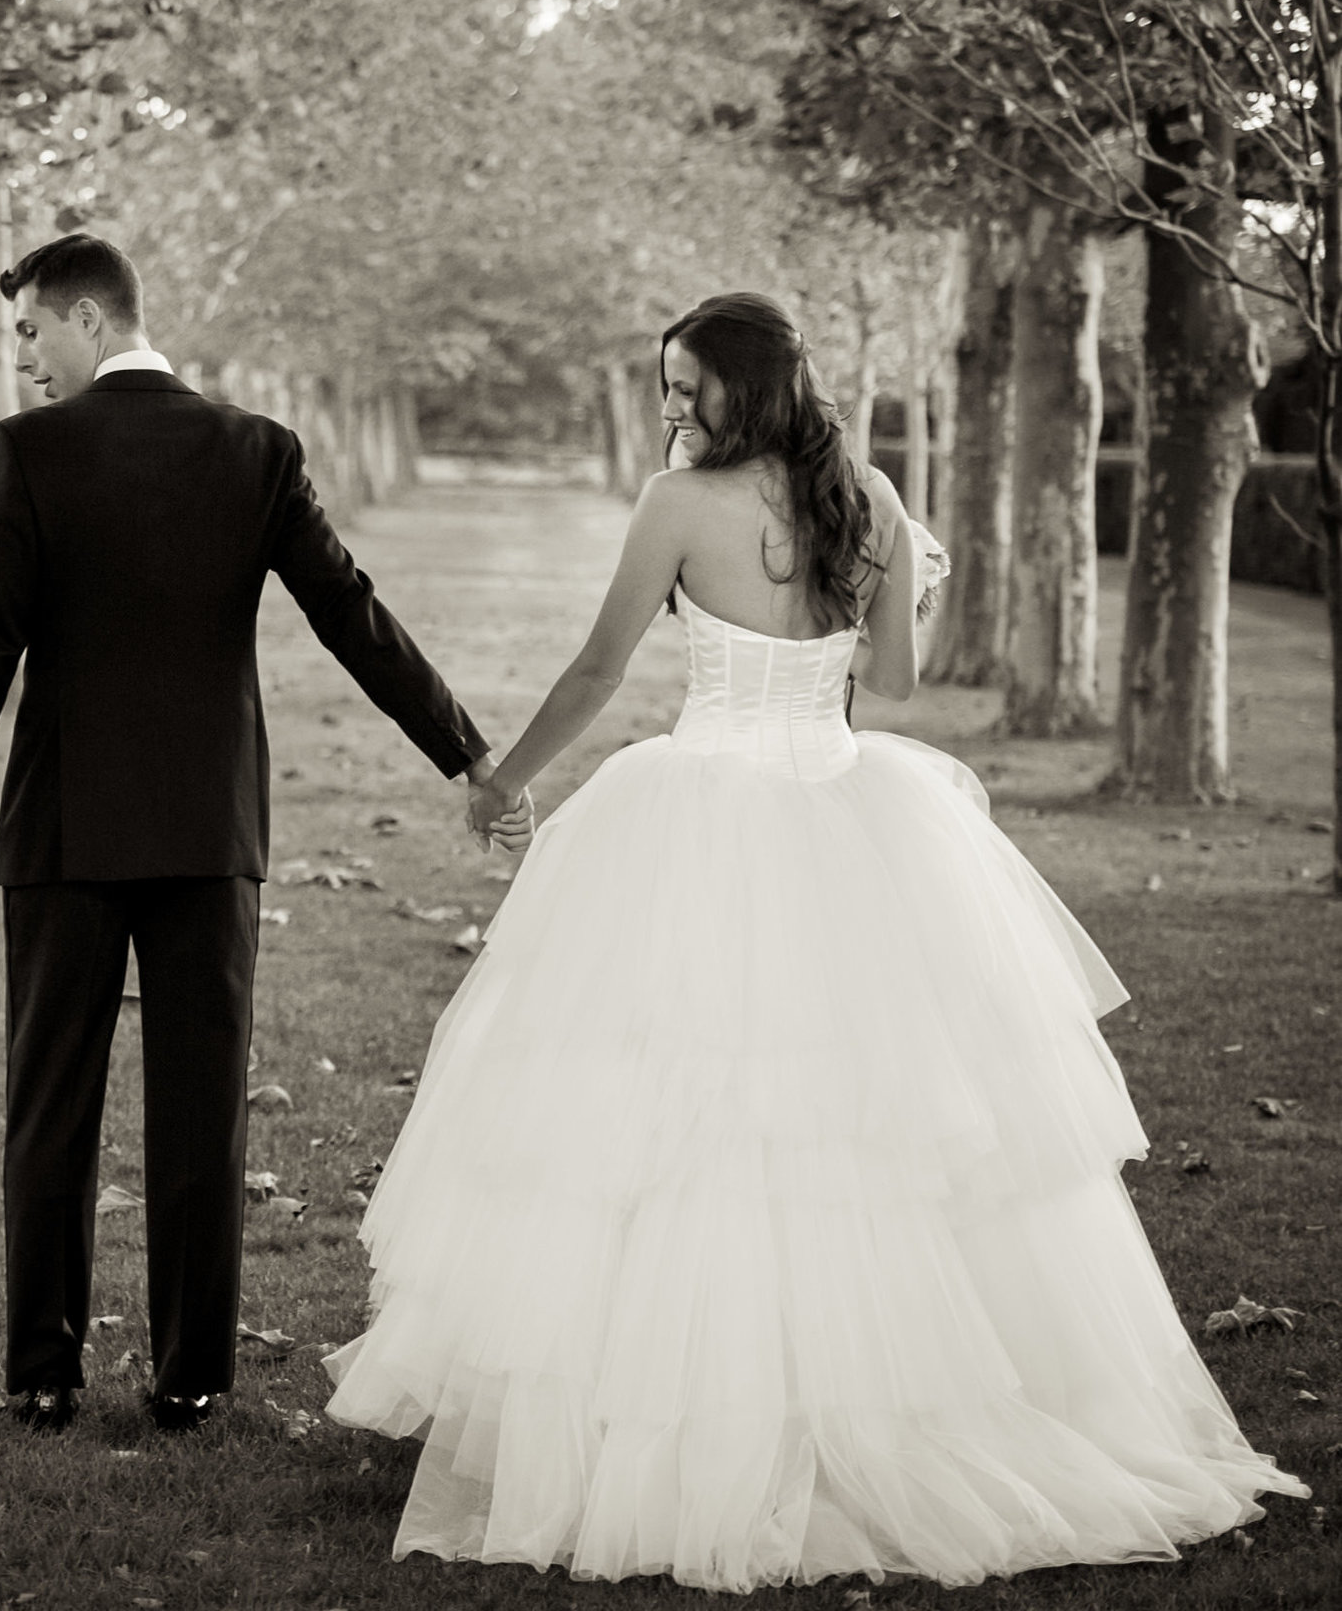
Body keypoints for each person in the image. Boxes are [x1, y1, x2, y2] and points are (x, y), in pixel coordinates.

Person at [323, 292, 1309, 1589]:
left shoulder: (678, 505)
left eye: (688, 388)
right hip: (852, 812)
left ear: (749, 385)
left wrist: (502, 782)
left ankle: (699, 1419)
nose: (673, 410)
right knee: (852, 1132)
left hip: (706, 812)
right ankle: (850, 1409)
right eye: (666, 389)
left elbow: (599, 667)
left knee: (684, 1130)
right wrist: (911, 571)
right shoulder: (875, 499)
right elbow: (893, 682)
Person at [0, 233, 529, 1435]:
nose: (23, 360)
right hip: (208, 827)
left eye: (29, 332)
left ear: (85, 318)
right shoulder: (254, 449)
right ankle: (190, 1375)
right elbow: (352, 616)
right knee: (201, 1106)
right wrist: (467, 751)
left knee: (49, 1103)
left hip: (65, 833)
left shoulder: (29, 452)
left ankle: (43, 1372)